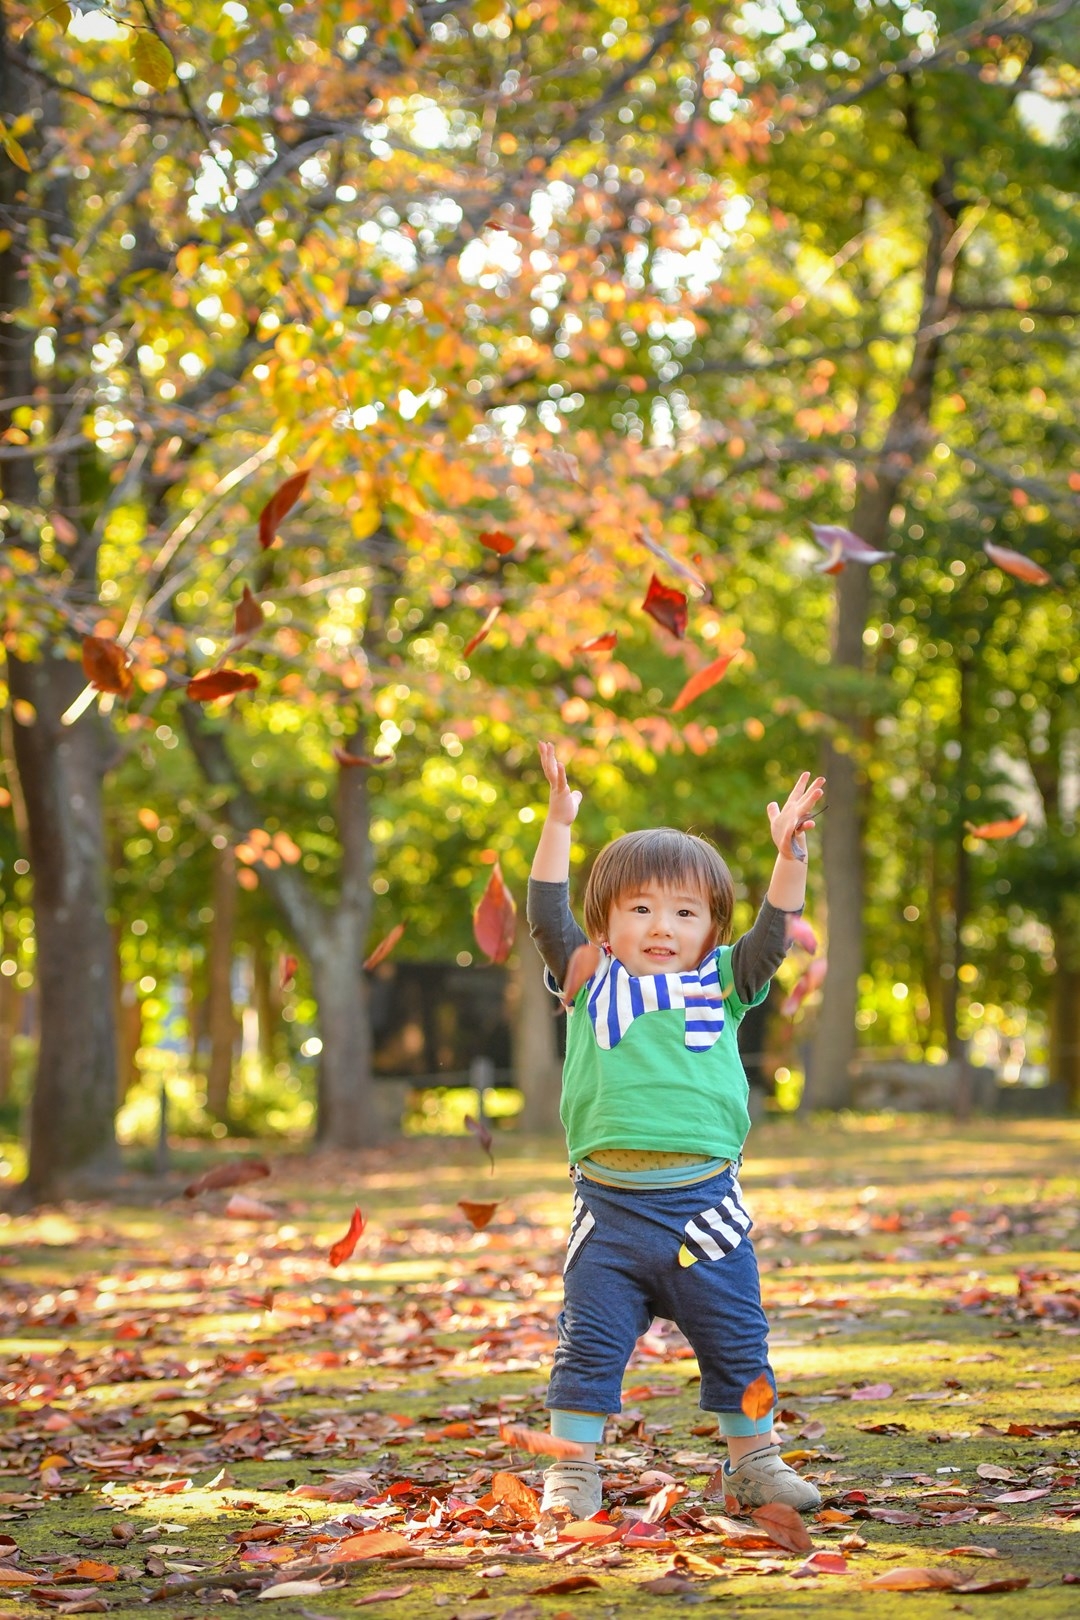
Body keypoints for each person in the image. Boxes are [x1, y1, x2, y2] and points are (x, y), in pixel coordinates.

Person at [527, 740, 825, 1519]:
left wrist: (789, 856)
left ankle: (754, 1463)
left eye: (685, 912)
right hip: (611, 1215)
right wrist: (559, 822)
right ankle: (571, 1472)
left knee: (738, 1338)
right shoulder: (589, 976)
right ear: (607, 922)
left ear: (710, 926)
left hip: (707, 1211)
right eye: (641, 909)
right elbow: (543, 909)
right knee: (587, 1347)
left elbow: (776, 929)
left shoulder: (724, 981)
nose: (663, 926)